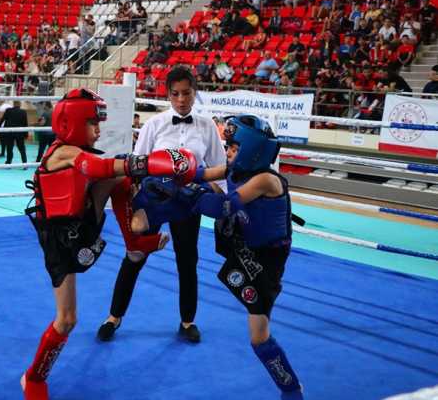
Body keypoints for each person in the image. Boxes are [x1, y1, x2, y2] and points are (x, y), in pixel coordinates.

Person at [21, 88, 197, 399]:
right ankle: (33, 378)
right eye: (93, 123)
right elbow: (97, 168)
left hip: (81, 227)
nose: (99, 130)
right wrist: (146, 162)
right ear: (71, 123)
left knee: (121, 178)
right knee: (67, 320)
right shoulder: (63, 152)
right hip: (59, 240)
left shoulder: (76, 151)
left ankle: (136, 243)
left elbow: (108, 171)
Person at [132, 115, 304, 400]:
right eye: (229, 147)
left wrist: (183, 191)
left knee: (259, 337)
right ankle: (144, 220)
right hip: (246, 249)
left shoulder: (264, 179)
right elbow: (199, 174)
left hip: (266, 260)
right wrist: (167, 173)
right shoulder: (233, 170)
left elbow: (224, 205)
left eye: (234, 148)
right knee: (177, 200)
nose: (228, 153)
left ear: (252, 149)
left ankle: (292, 390)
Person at [97, 66, 226, 343]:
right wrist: (135, 197)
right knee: (135, 255)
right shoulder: (154, 125)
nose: (181, 99)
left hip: (188, 202)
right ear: (168, 95)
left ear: (195, 93)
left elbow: (219, 168)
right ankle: (113, 316)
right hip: (153, 200)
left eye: (187, 93)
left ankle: (187, 321)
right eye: (176, 94)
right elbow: (137, 163)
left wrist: (210, 195)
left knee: (187, 260)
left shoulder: (207, 127)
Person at [0, 100, 28, 165]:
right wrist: (26, 134)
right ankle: (25, 163)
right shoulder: (23, 112)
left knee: (9, 148)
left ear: (14, 104)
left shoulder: (8, 110)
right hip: (19, 133)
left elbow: (3, 119)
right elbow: (25, 124)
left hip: (10, 132)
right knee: (22, 149)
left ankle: (8, 162)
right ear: (20, 104)